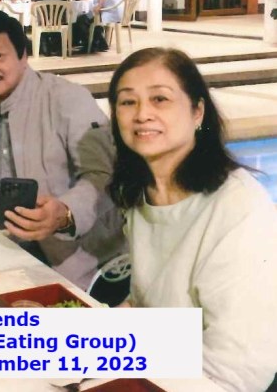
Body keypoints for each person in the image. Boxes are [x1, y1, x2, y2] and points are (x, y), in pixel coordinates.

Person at [107, 48, 277, 392]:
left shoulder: (238, 209)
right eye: (127, 102)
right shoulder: (140, 193)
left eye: (160, 99)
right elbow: (145, 304)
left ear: (197, 111)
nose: (142, 114)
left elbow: (238, 369)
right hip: (154, 359)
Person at [0, 10, 125, 289]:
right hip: (9, 253)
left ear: (23, 56)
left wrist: (65, 213)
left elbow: (104, 175)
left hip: (82, 263)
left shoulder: (67, 98)